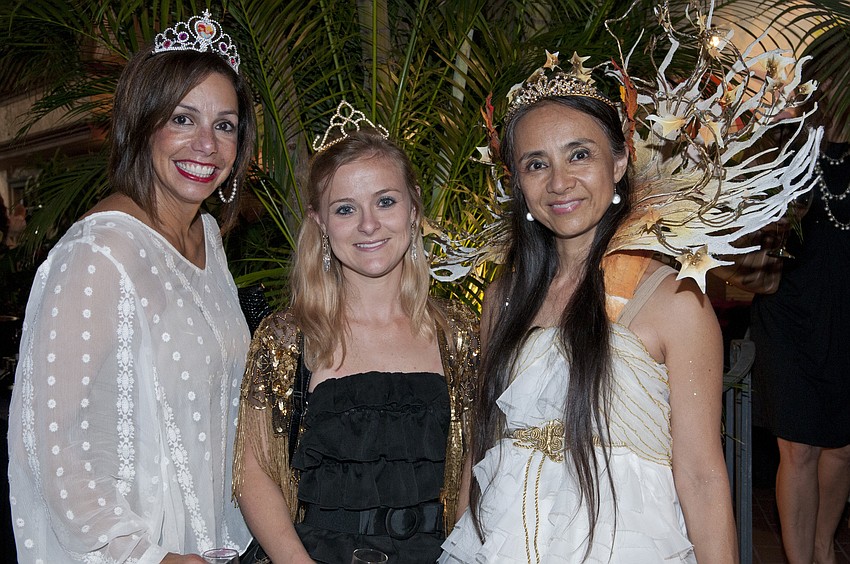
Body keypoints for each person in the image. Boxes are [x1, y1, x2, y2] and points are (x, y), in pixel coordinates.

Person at [439, 53, 739, 563]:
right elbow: (482, 450)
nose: (559, 182)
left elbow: (702, 474)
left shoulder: (674, 302)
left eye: (579, 155)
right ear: (516, 180)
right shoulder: (501, 300)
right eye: (537, 164)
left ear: (619, 162)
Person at [7, 11, 256, 563]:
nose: (207, 145)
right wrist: (145, 556)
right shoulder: (99, 253)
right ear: (143, 126)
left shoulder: (208, 238)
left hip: (215, 543)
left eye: (225, 124)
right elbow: (46, 441)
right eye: (183, 118)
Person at [232, 101, 479, 564]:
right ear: (321, 223)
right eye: (346, 208)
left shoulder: (459, 332)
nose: (369, 224)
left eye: (385, 201)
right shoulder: (286, 337)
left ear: (413, 207)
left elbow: (471, 464)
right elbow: (253, 471)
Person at [749, 69, 850, 564]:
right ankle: (802, 560)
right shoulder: (786, 150)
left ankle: (821, 544)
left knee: (843, 449)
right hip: (788, 315)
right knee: (800, 449)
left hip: (846, 317)